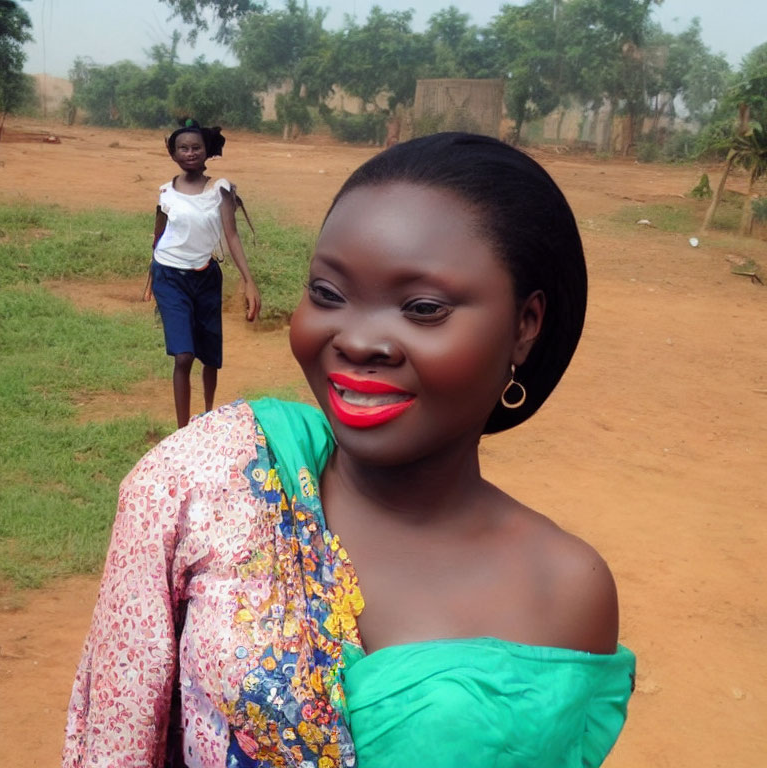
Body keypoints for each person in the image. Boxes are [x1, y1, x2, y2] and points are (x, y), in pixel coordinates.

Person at [63, 132, 635, 768]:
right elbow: (115, 735)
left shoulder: (567, 591)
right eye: (329, 294)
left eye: (422, 308)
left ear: (524, 327)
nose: (359, 341)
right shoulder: (213, 482)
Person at [147, 118, 261, 428]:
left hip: (206, 277)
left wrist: (249, 282)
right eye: (182, 148)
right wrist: (151, 276)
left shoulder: (219, 189)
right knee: (183, 356)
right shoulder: (166, 192)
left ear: (206, 151)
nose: (190, 152)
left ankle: (208, 414)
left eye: (196, 147)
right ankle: (183, 430)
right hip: (169, 276)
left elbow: (232, 236)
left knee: (210, 356)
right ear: (173, 154)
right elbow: (159, 234)